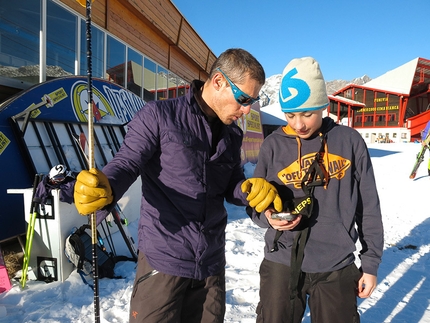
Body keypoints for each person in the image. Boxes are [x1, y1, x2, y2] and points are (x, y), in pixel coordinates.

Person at [73, 48, 282, 323]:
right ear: (218, 81)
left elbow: (230, 182)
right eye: (243, 99)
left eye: (252, 102)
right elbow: (125, 164)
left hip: (211, 265)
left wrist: (248, 190)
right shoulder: (159, 115)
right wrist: (104, 187)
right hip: (164, 262)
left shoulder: (233, 134)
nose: (246, 110)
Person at [247, 57, 384, 323]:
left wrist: (370, 264)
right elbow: (254, 204)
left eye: (307, 114)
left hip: (336, 265)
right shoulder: (272, 146)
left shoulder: (350, 142)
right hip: (281, 263)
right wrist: (268, 218)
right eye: (290, 115)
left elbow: (368, 207)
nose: (298, 124)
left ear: (324, 105)